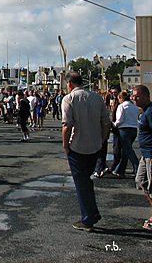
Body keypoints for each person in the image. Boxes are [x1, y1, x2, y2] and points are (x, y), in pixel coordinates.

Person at [61, 72, 111, 231]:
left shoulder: (69, 99)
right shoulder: (97, 97)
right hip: (95, 145)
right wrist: (102, 139)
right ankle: (92, 210)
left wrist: (65, 145)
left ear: (69, 84)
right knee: (86, 179)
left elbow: (67, 125)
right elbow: (106, 122)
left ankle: (88, 219)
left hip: (77, 146)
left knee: (81, 182)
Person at [132, 85, 152, 231]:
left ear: (146, 96)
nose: (134, 98)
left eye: (137, 96)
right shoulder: (143, 111)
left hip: (151, 155)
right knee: (141, 181)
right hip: (144, 155)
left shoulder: (150, 112)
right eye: (133, 95)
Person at [112, 90, 140, 177]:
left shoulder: (122, 106)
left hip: (124, 130)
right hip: (134, 129)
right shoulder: (135, 107)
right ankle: (120, 170)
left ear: (121, 98)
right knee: (126, 151)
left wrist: (113, 125)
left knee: (128, 151)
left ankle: (137, 168)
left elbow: (120, 120)